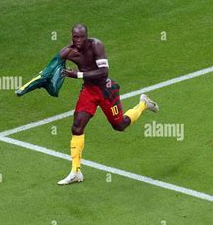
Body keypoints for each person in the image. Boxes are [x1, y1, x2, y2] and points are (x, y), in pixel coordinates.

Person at [58, 24, 158, 185]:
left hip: (105, 90)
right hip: (89, 91)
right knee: (77, 126)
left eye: (81, 37)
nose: (78, 40)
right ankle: (76, 172)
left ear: (87, 36)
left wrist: (77, 74)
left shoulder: (96, 45)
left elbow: (104, 72)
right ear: (71, 37)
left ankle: (143, 104)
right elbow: (53, 66)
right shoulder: (68, 51)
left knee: (119, 125)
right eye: (75, 37)